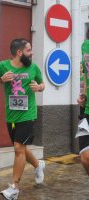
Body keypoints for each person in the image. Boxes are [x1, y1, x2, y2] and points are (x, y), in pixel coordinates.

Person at [0, 38, 45, 199]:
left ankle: (14, 188)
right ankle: (38, 165)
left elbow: (42, 84)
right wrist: (0, 80)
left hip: (28, 114)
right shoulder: (3, 66)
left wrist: (38, 88)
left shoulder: (33, 68)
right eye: (28, 50)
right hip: (11, 115)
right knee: (22, 148)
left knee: (18, 148)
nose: (31, 53)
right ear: (19, 52)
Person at [77, 28, 89, 175]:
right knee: (84, 157)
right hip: (85, 110)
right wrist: (83, 94)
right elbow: (84, 74)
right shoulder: (85, 45)